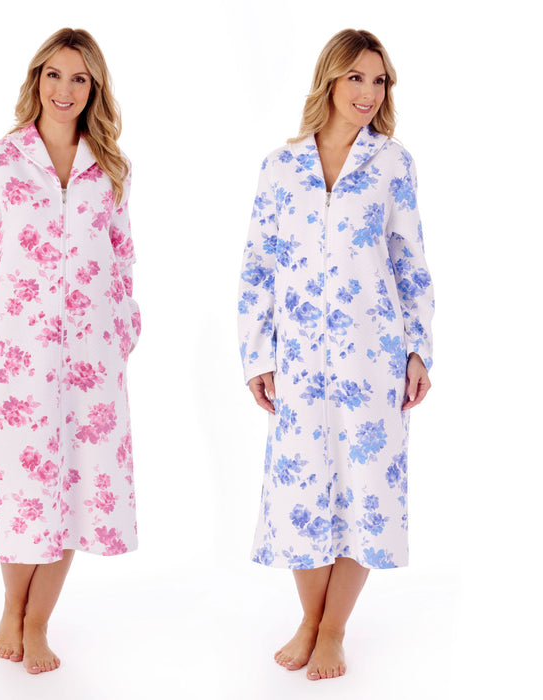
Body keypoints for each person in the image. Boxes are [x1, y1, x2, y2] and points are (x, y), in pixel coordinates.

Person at [237, 29, 434, 681]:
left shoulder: (393, 163)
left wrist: (418, 349)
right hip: (297, 360)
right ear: (329, 79)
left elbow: (410, 262)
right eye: (357, 77)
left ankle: (331, 630)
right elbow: (258, 265)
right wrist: (256, 355)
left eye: (379, 81)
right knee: (300, 489)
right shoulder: (280, 166)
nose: (369, 92)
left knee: (365, 493)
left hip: (372, 358)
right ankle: (308, 618)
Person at [0, 28, 141, 674]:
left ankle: (37, 622)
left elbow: (122, 260)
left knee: (75, 490)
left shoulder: (111, 168)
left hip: (90, 363)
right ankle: (12, 608)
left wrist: (122, 334)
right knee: (17, 488)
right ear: (36, 81)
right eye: (54, 75)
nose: (65, 89)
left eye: (79, 78)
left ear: (94, 89)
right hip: (13, 361)